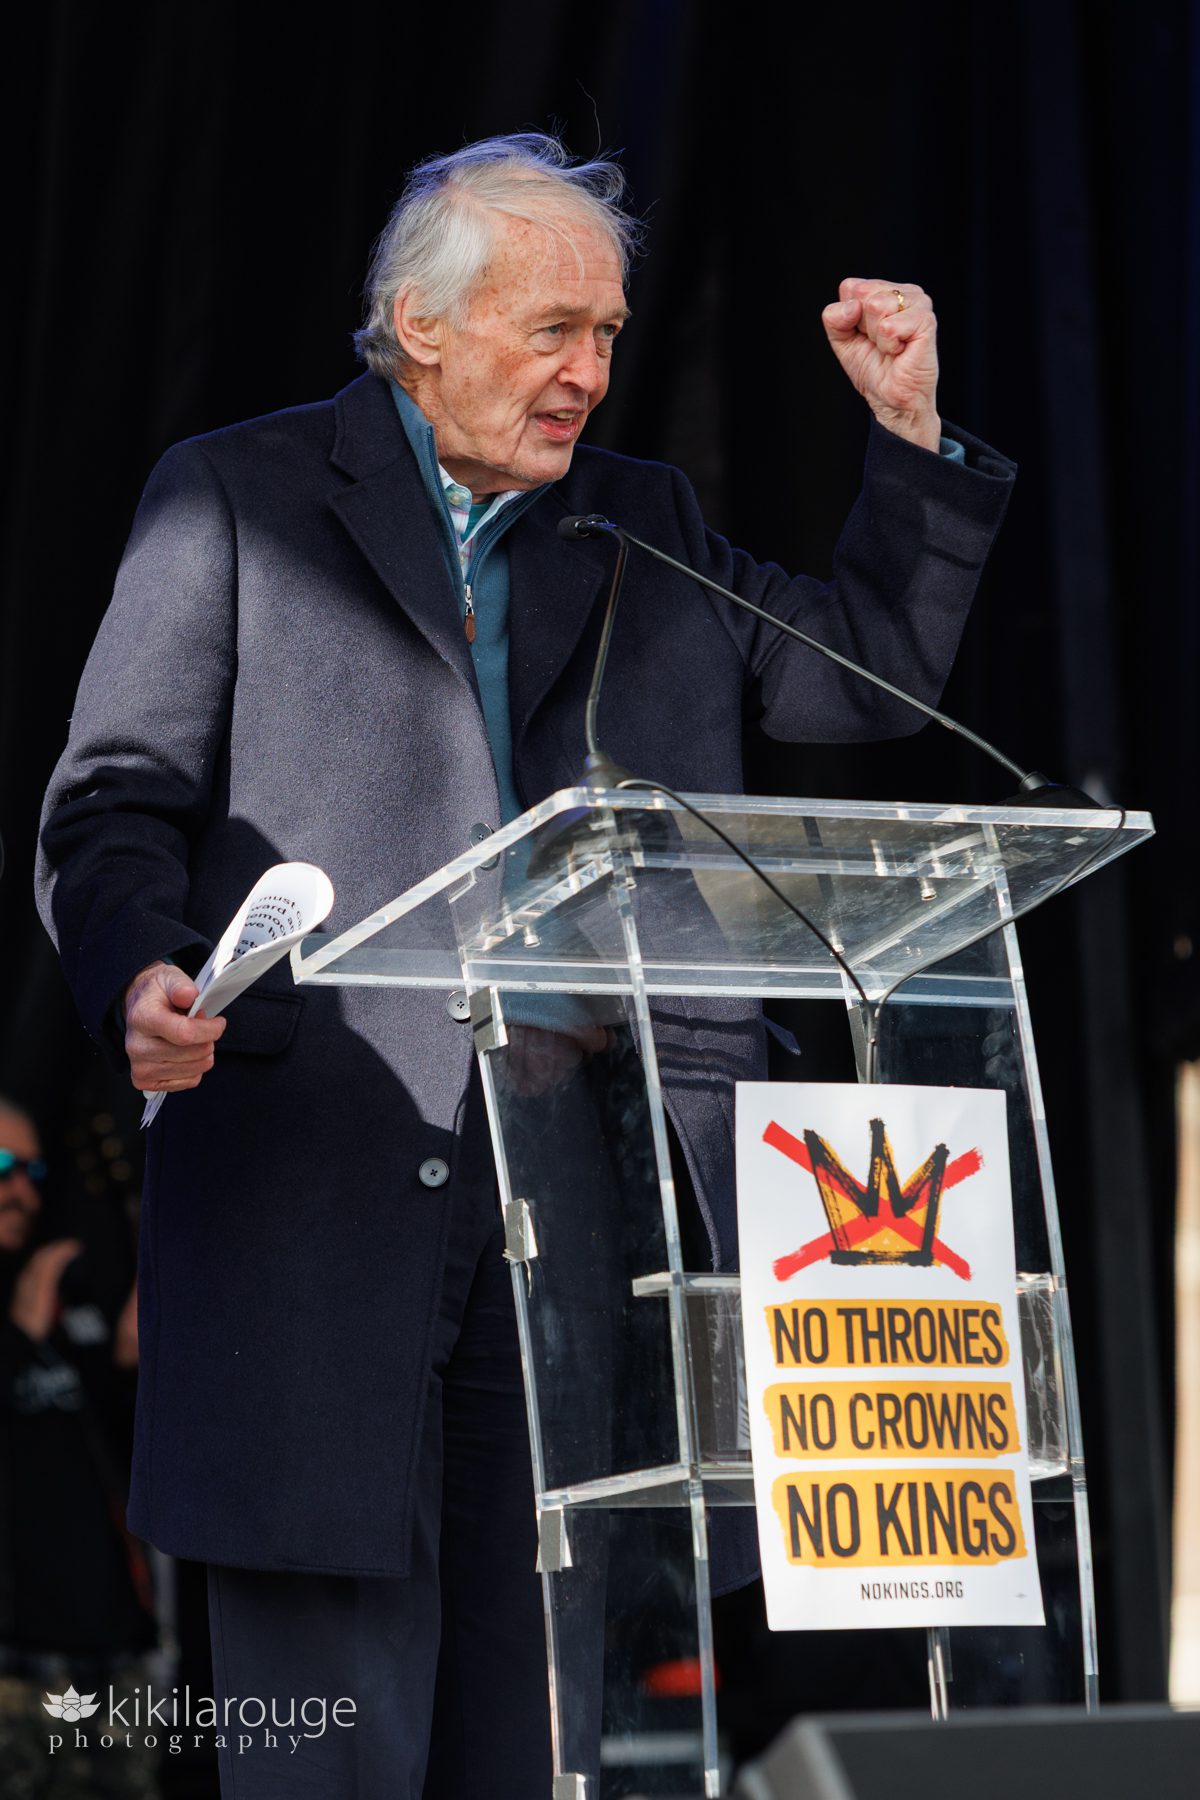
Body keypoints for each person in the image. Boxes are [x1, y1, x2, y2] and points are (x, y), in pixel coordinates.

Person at [36, 133, 1016, 1797]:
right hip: (315, 1218)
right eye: (556, 330)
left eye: (612, 335)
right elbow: (112, 804)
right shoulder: (235, 493)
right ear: (421, 325)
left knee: (537, 1749)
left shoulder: (642, 524)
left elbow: (863, 689)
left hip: (581, 1229)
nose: (593, 373)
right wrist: (141, 974)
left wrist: (908, 437)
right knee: (326, 1756)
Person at [0, 1098, 156, 1798]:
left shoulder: (68, 1279)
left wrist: (132, 1360)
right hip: (15, 1668)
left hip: (114, 1653)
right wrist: (19, 1337)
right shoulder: (32, 1300)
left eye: (30, 1168)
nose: (21, 1188)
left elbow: (117, 1446)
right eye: (2, 1167)